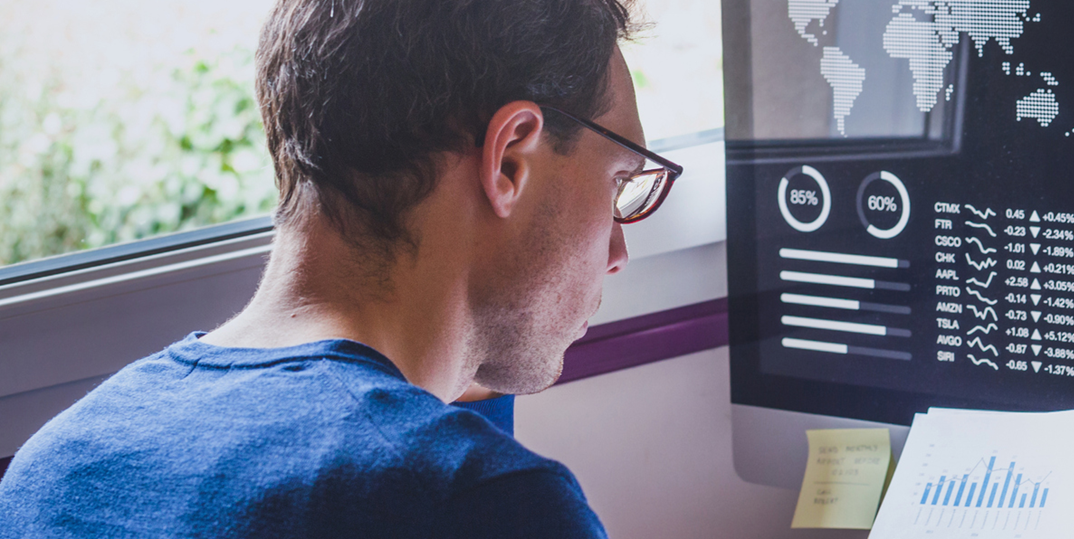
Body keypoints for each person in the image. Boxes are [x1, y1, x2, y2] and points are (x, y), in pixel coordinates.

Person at [0, 0, 681, 536]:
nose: (617, 253)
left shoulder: (51, 469)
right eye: (620, 183)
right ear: (509, 160)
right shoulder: (481, 503)